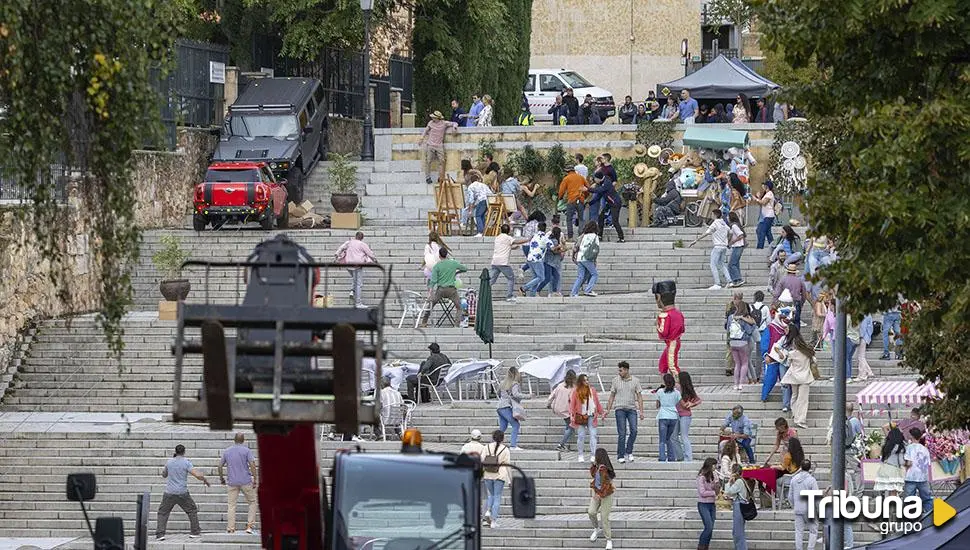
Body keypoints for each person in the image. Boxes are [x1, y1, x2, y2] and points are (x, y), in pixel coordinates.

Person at [156, 444, 209, 540]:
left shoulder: (169, 462)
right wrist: (204, 479)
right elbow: (196, 475)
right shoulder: (186, 462)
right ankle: (195, 531)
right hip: (182, 492)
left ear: (175, 452)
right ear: (184, 452)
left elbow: (164, 475)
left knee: (163, 512)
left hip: (169, 492)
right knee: (192, 510)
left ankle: (160, 534)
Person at [605, 361, 644, 463]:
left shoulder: (635, 380)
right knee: (622, 433)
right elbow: (612, 396)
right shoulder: (615, 380)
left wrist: (641, 411)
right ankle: (620, 455)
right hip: (620, 409)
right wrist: (608, 409)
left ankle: (629, 450)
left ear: (626, 370)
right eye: (619, 370)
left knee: (634, 430)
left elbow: (639, 396)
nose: (619, 372)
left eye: (621, 370)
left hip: (632, 409)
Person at [218, 433, 258, 534]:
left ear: (234, 440)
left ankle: (231, 528)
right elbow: (252, 465)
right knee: (252, 502)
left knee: (231, 505)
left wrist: (222, 478)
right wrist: (255, 478)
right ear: (243, 440)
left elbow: (219, 466)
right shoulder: (246, 450)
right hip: (245, 481)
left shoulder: (227, 451)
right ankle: (249, 526)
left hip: (232, 482)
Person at [420, 248, 467, 327]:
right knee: (459, 307)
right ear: (447, 255)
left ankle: (424, 322)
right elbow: (465, 269)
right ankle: (456, 325)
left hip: (440, 290)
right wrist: (457, 272)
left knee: (431, 304)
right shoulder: (453, 263)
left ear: (439, 255)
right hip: (452, 290)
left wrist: (430, 293)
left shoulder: (437, 266)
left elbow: (433, 281)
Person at [781, 326, 816, 429]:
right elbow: (814, 360)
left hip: (794, 377)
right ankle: (800, 419)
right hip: (805, 377)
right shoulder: (808, 353)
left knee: (794, 396)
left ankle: (795, 414)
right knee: (803, 399)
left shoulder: (791, 354)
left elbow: (787, 363)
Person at [689, 209, 732, 290]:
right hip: (724, 246)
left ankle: (717, 283)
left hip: (717, 246)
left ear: (715, 215)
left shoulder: (715, 223)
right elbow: (731, 232)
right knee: (722, 264)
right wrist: (727, 241)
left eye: (712, 214)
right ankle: (730, 281)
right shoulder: (723, 223)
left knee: (713, 264)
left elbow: (706, 233)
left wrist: (696, 240)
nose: (711, 216)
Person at [335, 232, 378, 308]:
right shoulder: (362, 244)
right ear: (362, 238)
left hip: (348, 265)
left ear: (355, 236)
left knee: (354, 279)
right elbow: (370, 253)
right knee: (359, 284)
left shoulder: (349, 242)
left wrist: (337, 254)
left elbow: (341, 248)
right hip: (357, 266)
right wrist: (375, 260)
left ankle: (352, 291)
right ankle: (358, 303)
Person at [569, 373, 605, 462]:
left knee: (593, 435)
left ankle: (593, 455)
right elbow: (572, 404)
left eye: (587, 380)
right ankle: (580, 455)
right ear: (580, 382)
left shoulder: (592, 390)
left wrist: (602, 412)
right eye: (584, 380)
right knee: (581, 436)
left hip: (592, 415)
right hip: (581, 416)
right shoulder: (576, 391)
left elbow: (597, 402)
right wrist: (571, 415)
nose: (587, 382)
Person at [489, 224, 529, 302]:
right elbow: (516, 241)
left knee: (491, 280)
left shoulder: (497, 238)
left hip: (495, 262)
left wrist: (514, 247)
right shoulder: (508, 238)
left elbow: (505, 246)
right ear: (509, 230)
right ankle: (509, 296)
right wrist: (527, 239)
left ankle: (481, 293)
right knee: (511, 278)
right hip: (503, 262)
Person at [418, 110, 459, 184]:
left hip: (439, 145)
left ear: (438, 118)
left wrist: (454, 128)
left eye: (434, 117)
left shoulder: (444, 123)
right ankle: (428, 177)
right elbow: (425, 131)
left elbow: (454, 123)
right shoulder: (430, 123)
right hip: (430, 145)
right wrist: (421, 138)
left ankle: (440, 177)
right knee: (428, 161)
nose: (433, 118)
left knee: (442, 161)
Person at [482, 430, 512, 527]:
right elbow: (508, 465)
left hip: (488, 474)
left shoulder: (486, 447)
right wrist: (510, 480)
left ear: (493, 437)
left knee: (491, 495)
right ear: (503, 438)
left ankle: (488, 511)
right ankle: (494, 521)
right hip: (500, 475)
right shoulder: (505, 449)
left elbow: (482, 460)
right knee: (497, 497)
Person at [588, 448, 616, 550]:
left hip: (606, 494)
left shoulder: (605, 469)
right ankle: (596, 528)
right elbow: (592, 475)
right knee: (591, 512)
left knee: (604, 517)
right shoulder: (597, 467)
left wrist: (599, 494)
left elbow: (607, 485)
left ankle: (608, 540)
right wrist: (593, 465)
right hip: (597, 493)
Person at [656, 282, 686, 377]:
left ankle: (681, 386)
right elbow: (682, 329)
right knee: (663, 364)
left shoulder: (665, 315)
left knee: (672, 366)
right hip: (676, 340)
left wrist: (657, 324)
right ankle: (665, 385)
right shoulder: (678, 313)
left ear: (659, 297)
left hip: (671, 342)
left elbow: (663, 332)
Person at [789, 460, 820, 550]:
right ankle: (810, 548)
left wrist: (794, 505)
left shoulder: (794, 479)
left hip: (798, 508)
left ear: (801, 467)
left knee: (798, 531)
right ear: (809, 468)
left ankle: (799, 548)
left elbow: (790, 496)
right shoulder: (811, 480)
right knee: (813, 530)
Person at [727, 299, 757, 391]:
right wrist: (753, 327)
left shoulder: (731, 317)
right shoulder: (743, 318)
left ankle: (735, 384)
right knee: (744, 363)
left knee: (737, 364)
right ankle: (741, 384)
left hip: (732, 342)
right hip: (742, 342)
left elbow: (728, 329)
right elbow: (748, 331)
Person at [903, 428, 933, 515]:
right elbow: (928, 463)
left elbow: (909, 463)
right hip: (923, 477)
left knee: (909, 498)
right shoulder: (925, 449)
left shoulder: (909, 448)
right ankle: (928, 514)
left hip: (911, 476)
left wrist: (903, 464)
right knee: (926, 498)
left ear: (911, 436)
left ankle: (911, 514)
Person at [548, 369, 578, 451]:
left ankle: (565, 441)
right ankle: (561, 445)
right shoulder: (573, 388)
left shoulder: (560, 385)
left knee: (568, 424)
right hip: (566, 410)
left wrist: (549, 404)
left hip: (558, 408)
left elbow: (551, 396)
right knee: (571, 427)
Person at [590, 171, 625, 243]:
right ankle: (600, 236)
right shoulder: (601, 183)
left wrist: (587, 189)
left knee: (615, 221)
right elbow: (599, 195)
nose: (594, 180)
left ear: (598, 178)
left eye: (595, 179)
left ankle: (621, 238)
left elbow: (598, 190)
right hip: (610, 203)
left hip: (615, 203)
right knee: (601, 217)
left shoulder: (606, 183)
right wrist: (590, 203)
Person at [496, 367, 525, 450]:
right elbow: (516, 394)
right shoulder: (514, 383)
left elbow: (498, 393)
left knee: (502, 427)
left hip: (499, 407)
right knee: (516, 425)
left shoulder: (502, 383)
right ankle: (513, 445)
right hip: (507, 406)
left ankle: (494, 443)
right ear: (516, 374)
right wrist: (528, 396)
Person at [723, 463, 751, 550]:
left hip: (739, 506)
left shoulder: (739, 482)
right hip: (739, 505)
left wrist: (728, 482)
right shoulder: (741, 481)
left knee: (738, 532)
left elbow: (728, 491)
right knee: (736, 531)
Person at [655, 373, 682, 462]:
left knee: (662, 440)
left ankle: (662, 457)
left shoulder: (659, 391)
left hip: (663, 416)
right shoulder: (677, 393)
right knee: (669, 438)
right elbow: (678, 403)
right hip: (673, 416)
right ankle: (671, 457)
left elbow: (657, 405)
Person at [676, 371, 702, 462]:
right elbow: (698, 400)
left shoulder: (678, 387)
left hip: (683, 415)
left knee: (682, 436)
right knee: (681, 436)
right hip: (683, 414)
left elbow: (698, 400)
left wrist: (691, 404)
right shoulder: (688, 388)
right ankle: (684, 456)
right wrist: (692, 404)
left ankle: (687, 457)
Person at [570, 222, 601, 297]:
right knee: (594, 274)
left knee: (580, 276)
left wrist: (573, 256)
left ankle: (574, 292)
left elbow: (577, 246)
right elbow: (595, 249)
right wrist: (595, 260)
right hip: (588, 258)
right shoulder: (595, 236)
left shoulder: (583, 235)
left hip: (580, 257)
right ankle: (588, 290)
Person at [874, 425, 906, 495]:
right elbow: (901, 462)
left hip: (884, 469)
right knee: (893, 492)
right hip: (894, 470)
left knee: (886, 491)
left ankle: (885, 504)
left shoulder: (887, 445)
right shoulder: (900, 448)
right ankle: (892, 505)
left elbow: (884, 427)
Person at [523, 221, 553, 296]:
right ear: (545, 229)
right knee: (541, 278)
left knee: (535, 278)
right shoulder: (545, 238)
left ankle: (532, 295)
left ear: (538, 228)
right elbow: (552, 248)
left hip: (530, 259)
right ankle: (524, 288)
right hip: (537, 260)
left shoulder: (534, 236)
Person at [696, 458, 719, 550]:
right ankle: (701, 546)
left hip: (712, 504)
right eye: (714, 465)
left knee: (711, 528)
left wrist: (717, 483)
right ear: (710, 465)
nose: (715, 467)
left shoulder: (714, 475)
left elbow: (716, 488)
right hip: (703, 504)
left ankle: (706, 546)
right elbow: (702, 492)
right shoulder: (701, 477)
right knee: (708, 526)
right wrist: (714, 493)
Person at [558, 166, 587, 239]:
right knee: (581, 219)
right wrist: (584, 197)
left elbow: (561, 190)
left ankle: (570, 237)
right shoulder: (581, 177)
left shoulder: (566, 178)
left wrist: (560, 197)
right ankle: (581, 236)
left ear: (567, 171)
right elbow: (587, 188)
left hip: (571, 200)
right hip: (580, 199)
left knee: (569, 219)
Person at [753, 180, 776, 249]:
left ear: (767, 186)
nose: (762, 186)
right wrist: (758, 197)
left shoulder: (769, 193)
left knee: (761, 231)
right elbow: (762, 203)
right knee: (767, 233)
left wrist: (756, 199)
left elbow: (763, 203)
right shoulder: (767, 193)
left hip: (768, 216)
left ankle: (760, 247)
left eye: (764, 185)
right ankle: (773, 246)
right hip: (765, 216)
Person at [727, 212, 747, 287]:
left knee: (731, 264)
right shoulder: (735, 225)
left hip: (738, 246)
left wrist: (732, 242)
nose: (727, 218)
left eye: (728, 217)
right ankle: (736, 280)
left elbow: (740, 235)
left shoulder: (734, 226)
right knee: (735, 264)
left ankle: (738, 279)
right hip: (737, 246)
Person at [856, 314, 875, 381]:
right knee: (861, 356)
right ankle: (869, 372)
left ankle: (862, 375)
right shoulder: (868, 314)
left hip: (863, 337)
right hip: (865, 336)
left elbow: (863, 327)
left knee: (861, 356)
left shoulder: (864, 314)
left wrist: (859, 336)